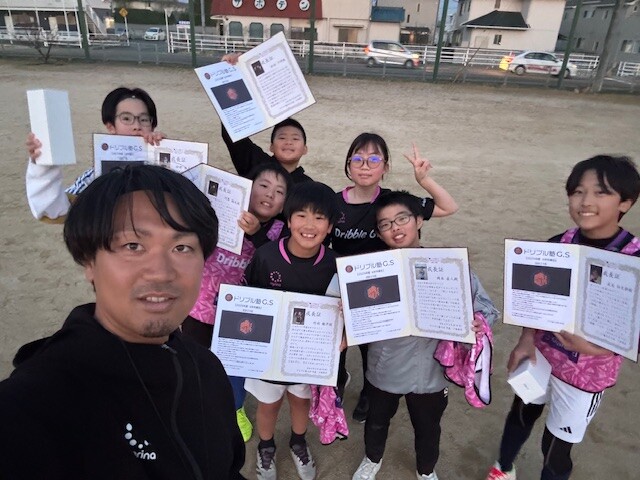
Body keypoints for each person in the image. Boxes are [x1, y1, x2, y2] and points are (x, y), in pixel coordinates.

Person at [0, 165, 246, 479]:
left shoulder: (207, 368)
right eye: (133, 246)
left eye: (181, 247)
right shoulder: (31, 407)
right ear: (89, 261)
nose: (161, 272)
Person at [485, 155, 640, 480]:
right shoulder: (559, 244)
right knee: (520, 415)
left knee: (556, 446)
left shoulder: (633, 260)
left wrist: (596, 348)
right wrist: (527, 339)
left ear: (626, 202)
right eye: (578, 191)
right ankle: (503, 468)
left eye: (601, 192)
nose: (586, 201)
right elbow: (535, 299)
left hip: (587, 375)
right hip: (542, 355)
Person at [351, 190, 498, 480]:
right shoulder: (369, 271)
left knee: (429, 426)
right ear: (379, 233)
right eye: (385, 224)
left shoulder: (448, 266)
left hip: (432, 370)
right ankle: (372, 458)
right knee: (377, 420)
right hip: (386, 364)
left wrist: (479, 322)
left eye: (402, 219)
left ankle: (426, 470)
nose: (395, 228)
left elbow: (486, 308)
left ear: (419, 220)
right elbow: (348, 307)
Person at [333, 134, 459, 422]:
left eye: (374, 159)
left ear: (386, 167)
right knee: (336, 342)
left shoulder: (391, 203)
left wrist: (424, 180)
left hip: (380, 289)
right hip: (342, 283)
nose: (365, 165)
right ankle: (337, 381)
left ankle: (368, 392)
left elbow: (448, 207)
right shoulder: (334, 202)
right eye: (358, 159)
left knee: (371, 345)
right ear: (349, 165)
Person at [184, 162, 293, 443]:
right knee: (196, 362)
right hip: (200, 309)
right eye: (263, 185)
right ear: (246, 188)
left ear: (284, 205)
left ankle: (235, 409)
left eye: (279, 191)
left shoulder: (280, 232)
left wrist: (257, 233)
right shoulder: (219, 213)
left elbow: (278, 262)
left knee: (235, 369)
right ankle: (199, 407)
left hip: (244, 316)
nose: (269, 194)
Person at [243, 181, 340, 480]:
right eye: (301, 215)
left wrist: (341, 339)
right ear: (288, 219)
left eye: (319, 218)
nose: (309, 225)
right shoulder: (266, 256)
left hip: (307, 357)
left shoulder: (335, 265)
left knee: (301, 400)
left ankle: (299, 442)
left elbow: (341, 314)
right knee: (268, 403)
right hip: (268, 354)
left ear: (330, 226)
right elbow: (248, 302)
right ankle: (266, 447)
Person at [25, 87, 164, 223]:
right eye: (126, 118)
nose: (137, 126)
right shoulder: (97, 175)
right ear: (110, 126)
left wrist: (168, 153)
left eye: (144, 119)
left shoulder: (167, 166)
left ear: (152, 125)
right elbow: (54, 210)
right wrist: (44, 164)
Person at [220, 52, 313, 184]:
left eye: (295, 138)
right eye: (282, 138)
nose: (288, 142)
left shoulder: (309, 187)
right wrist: (229, 73)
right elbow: (233, 133)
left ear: (305, 149)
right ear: (271, 147)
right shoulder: (256, 164)